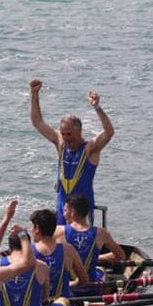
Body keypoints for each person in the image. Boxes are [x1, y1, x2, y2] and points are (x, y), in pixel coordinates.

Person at [29, 78, 115, 225]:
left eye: (69, 134)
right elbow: (38, 122)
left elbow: (109, 132)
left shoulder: (90, 148)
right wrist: (34, 94)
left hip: (82, 211)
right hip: (63, 208)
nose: (66, 138)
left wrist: (97, 107)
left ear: (79, 131)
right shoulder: (60, 143)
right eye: (63, 134)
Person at [0, 200, 59, 306]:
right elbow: (44, 297)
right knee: (63, 302)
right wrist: (22, 234)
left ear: (9, 248)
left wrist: (6, 218)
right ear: (27, 244)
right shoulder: (42, 267)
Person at [55, 193, 126, 283]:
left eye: (65, 211)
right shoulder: (101, 233)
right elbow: (121, 256)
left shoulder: (58, 231)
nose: (64, 214)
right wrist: (96, 257)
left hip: (68, 287)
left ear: (72, 212)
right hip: (91, 286)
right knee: (102, 271)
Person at [29, 208, 89, 301]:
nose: (30, 229)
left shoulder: (28, 252)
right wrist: (71, 284)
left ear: (37, 229)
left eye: (32, 226)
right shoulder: (68, 249)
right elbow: (84, 280)